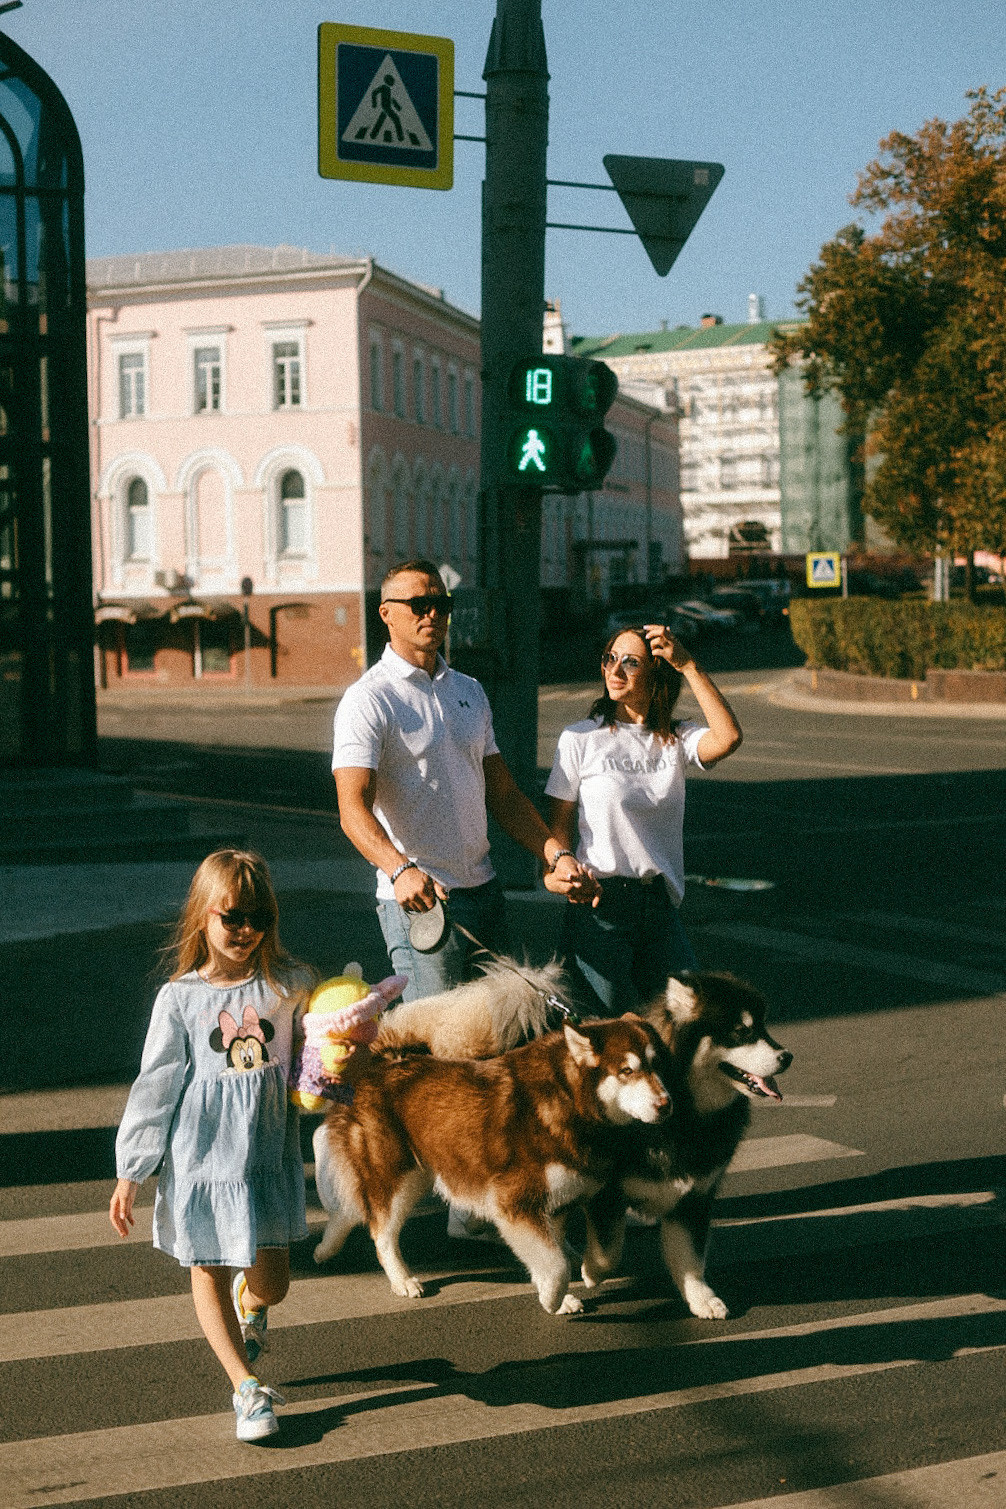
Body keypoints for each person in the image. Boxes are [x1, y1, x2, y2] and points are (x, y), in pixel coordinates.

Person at [109, 849, 312, 1444]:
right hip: (201, 1159)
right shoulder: (180, 998)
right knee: (208, 1269)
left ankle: (255, 1303)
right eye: (232, 918)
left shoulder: (288, 986)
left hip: (264, 1158)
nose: (246, 931)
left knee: (273, 1282)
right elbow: (155, 1085)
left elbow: (315, 1058)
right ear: (203, 916)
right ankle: (246, 1389)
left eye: (259, 918)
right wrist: (132, 1171)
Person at [332, 559, 597, 1002]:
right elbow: (351, 808)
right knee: (437, 1050)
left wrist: (557, 853)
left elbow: (505, 795)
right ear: (386, 613)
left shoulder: (469, 690)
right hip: (422, 901)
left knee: (495, 1043)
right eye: (418, 603)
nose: (431, 613)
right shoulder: (369, 699)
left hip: (484, 892)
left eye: (440, 603)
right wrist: (399, 870)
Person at [546, 623, 742, 1013]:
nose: (615, 671)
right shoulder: (580, 738)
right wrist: (557, 868)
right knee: (609, 1032)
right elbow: (559, 826)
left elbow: (728, 737)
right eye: (609, 659)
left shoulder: (676, 738)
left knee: (687, 1018)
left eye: (631, 663)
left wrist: (687, 664)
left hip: (658, 907)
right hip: (600, 904)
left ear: (656, 675)